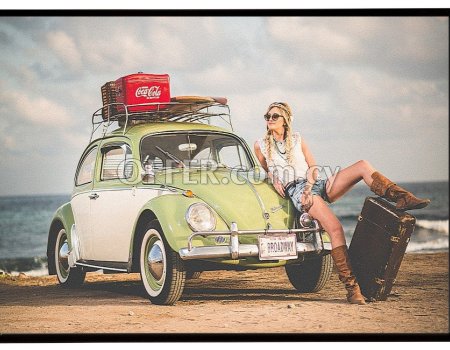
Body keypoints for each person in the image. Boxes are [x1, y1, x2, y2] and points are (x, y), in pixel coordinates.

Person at [254, 102, 430, 305]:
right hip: (298, 191)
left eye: (274, 116)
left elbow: (312, 167)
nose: (269, 119)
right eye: (267, 116)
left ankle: (402, 197)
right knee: (335, 229)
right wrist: (275, 180)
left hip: (313, 185)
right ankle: (352, 288)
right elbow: (267, 169)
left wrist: (311, 187)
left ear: (285, 120)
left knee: (362, 165)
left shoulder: (297, 139)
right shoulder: (260, 144)